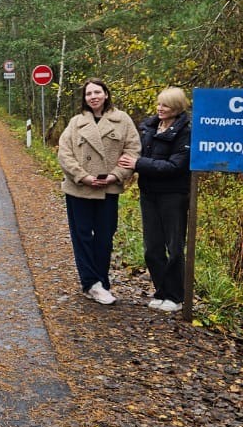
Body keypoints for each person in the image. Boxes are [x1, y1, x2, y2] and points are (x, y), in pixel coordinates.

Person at [58, 78, 141, 305]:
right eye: (88, 94)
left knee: (104, 236)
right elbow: (64, 153)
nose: (93, 96)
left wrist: (116, 175)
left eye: (97, 92)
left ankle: (101, 282)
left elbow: (133, 150)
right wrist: (82, 176)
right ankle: (91, 284)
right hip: (79, 189)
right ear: (84, 99)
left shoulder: (122, 120)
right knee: (82, 235)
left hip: (109, 188)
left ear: (106, 94)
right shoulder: (76, 122)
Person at [118, 87, 191, 313]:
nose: (160, 108)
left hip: (173, 195)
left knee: (174, 247)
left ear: (177, 108)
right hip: (149, 193)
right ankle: (161, 291)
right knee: (152, 248)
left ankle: (176, 296)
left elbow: (176, 165)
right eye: (159, 104)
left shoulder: (186, 132)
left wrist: (138, 165)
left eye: (166, 105)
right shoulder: (150, 127)